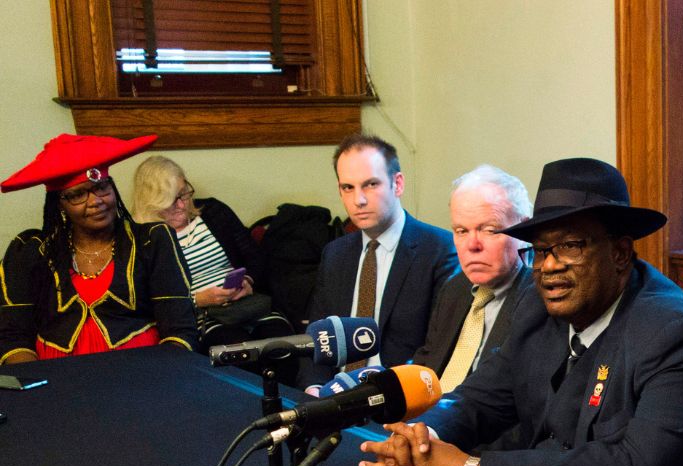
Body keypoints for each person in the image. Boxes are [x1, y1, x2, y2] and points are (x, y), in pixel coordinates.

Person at [359, 158, 683, 466]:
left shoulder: (677, 331)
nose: (549, 266)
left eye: (570, 246)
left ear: (620, 253)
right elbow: (482, 399)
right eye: (542, 250)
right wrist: (420, 440)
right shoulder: (536, 305)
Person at [0, 134, 197, 363]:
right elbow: (13, 337)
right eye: (77, 195)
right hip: (57, 379)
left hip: (143, 372)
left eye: (102, 187)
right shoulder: (31, 251)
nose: (95, 201)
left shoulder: (151, 241)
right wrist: (40, 388)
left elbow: (180, 329)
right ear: (59, 204)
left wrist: (160, 379)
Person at [298, 133, 458, 392]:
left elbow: (438, 348)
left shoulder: (439, 249)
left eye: (370, 185)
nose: (358, 200)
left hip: (397, 398)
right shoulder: (335, 254)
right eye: (347, 188)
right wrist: (313, 388)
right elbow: (316, 338)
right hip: (332, 396)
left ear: (398, 184)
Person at [132, 155, 291, 347]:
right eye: (171, 200)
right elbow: (145, 301)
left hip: (247, 304)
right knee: (238, 350)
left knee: (282, 344)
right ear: (152, 203)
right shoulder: (144, 240)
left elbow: (256, 258)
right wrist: (198, 300)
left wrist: (248, 281)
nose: (182, 205)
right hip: (202, 318)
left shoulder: (214, 212)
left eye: (184, 194)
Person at [412, 164, 533, 391]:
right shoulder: (454, 289)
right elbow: (427, 362)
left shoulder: (540, 299)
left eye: (489, 230)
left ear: (524, 231)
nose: (472, 245)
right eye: (461, 231)